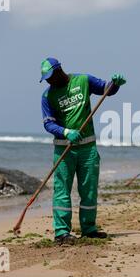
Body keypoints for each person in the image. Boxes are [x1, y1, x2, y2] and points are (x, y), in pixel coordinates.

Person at [40, 57, 126, 244]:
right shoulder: (47, 97)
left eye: (49, 77)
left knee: (89, 190)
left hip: (88, 150)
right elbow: (48, 124)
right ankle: (61, 232)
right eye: (45, 79)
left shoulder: (83, 81)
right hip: (64, 151)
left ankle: (89, 229)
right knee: (62, 191)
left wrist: (116, 84)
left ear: (58, 71)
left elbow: (107, 90)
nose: (48, 81)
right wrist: (65, 132)